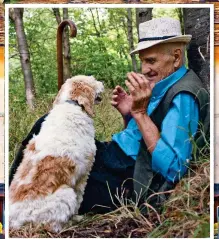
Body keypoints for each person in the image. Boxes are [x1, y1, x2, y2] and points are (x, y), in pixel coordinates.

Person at [9, 17, 209, 214]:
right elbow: (141, 141)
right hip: (112, 158)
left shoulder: (183, 96)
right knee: (47, 122)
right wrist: (129, 115)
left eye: (151, 61)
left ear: (176, 57)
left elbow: (173, 167)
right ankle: (14, 195)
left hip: (125, 179)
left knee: (55, 173)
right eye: (143, 62)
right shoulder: (164, 83)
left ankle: (15, 202)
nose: (145, 70)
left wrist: (139, 113)